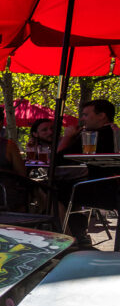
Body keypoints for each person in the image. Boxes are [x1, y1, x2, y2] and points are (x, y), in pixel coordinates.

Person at [56, 99, 119, 246]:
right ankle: (80, 234)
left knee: (53, 191)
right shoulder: (116, 132)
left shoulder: (94, 136)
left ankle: (66, 240)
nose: (82, 119)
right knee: (68, 191)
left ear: (102, 115)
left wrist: (67, 137)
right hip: (111, 188)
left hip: (102, 190)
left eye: (85, 115)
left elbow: (58, 159)